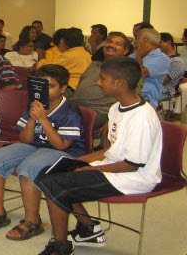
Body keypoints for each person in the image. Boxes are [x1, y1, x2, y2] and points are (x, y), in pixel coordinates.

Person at [34, 57, 162, 255]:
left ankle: (60, 245)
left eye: (102, 78)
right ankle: (88, 229)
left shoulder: (142, 118)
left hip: (135, 177)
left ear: (119, 83)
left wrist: (90, 169)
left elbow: (132, 165)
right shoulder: (116, 108)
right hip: (114, 166)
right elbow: (109, 150)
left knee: (57, 184)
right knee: (48, 173)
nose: (97, 82)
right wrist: (75, 162)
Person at [0, 65, 85, 241]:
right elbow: (25, 139)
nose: (44, 91)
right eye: (40, 87)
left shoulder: (69, 111)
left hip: (65, 152)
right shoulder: (34, 105)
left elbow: (61, 145)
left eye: (50, 86)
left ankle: (32, 221)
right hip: (35, 146)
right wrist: (32, 119)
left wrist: (43, 119)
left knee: (29, 169)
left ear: (63, 88)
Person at [69, 32, 130, 131]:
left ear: (125, 50)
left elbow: (133, 99)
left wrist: (113, 119)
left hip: (100, 111)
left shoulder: (127, 70)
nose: (111, 45)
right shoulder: (94, 65)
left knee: (63, 122)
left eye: (117, 44)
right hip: (75, 105)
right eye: (109, 42)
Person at [131, 28, 169, 109]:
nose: (134, 41)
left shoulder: (161, 58)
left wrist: (139, 57)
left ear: (145, 40)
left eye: (136, 38)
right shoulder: (134, 54)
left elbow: (139, 74)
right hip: (128, 95)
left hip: (145, 100)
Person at [159, 32, 185, 101]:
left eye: (160, 42)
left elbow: (163, 80)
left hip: (166, 92)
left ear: (168, 42)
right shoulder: (161, 58)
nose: (158, 45)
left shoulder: (177, 62)